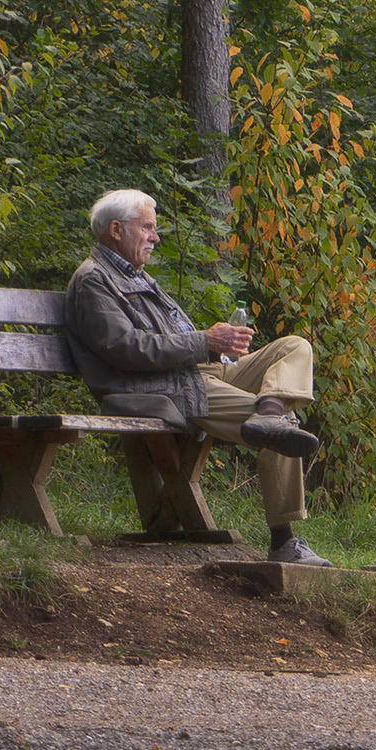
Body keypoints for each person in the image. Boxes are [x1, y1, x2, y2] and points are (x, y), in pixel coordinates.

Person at [65, 188, 332, 566]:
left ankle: (269, 408)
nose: (155, 237)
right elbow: (126, 349)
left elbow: (169, 338)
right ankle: (284, 540)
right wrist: (203, 341)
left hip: (193, 371)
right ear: (115, 230)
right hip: (159, 386)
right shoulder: (95, 281)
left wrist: (215, 343)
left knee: (294, 347)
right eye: (148, 228)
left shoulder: (135, 276)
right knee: (282, 430)